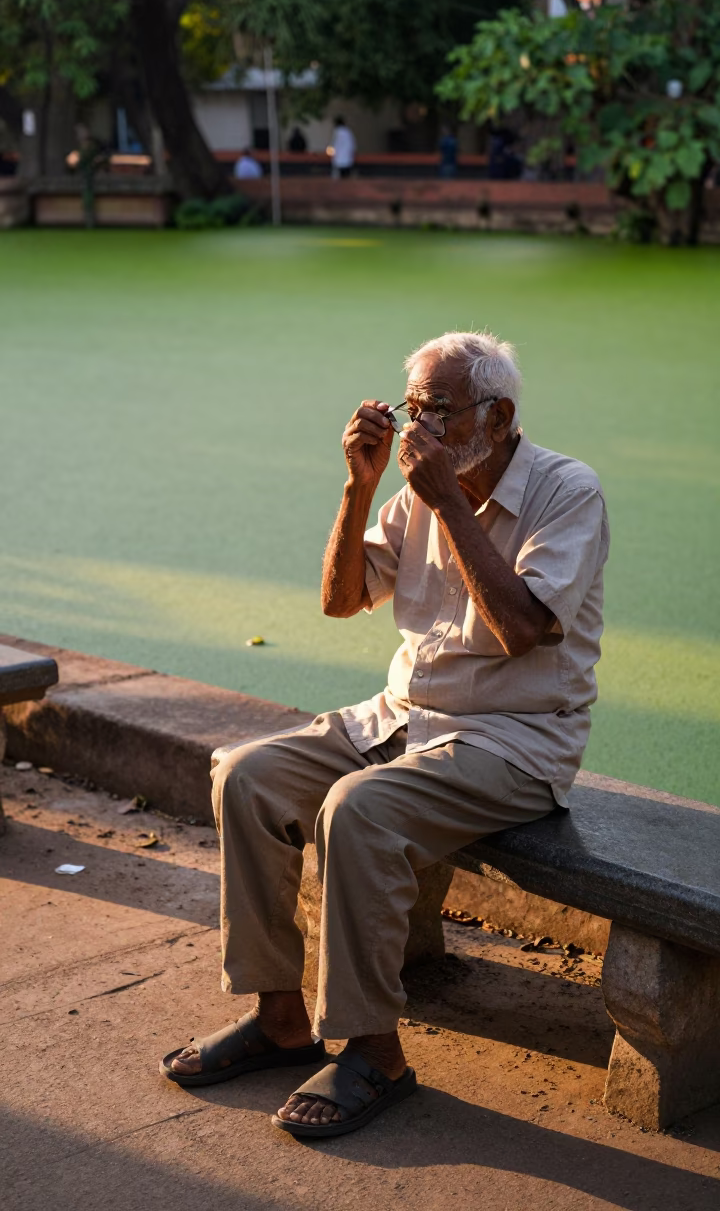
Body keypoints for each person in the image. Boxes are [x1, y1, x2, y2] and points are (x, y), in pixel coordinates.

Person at [160, 330, 609, 1138]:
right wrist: (358, 487)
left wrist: (445, 500)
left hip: (514, 741)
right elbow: (340, 600)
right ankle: (280, 1019)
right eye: (414, 408)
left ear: (500, 415)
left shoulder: (566, 493)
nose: (420, 428)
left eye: (439, 409)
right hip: (404, 718)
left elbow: (521, 628)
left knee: (357, 809)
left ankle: (375, 1052)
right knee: (248, 776)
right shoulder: (414, 491)